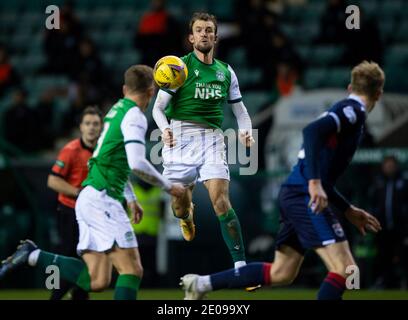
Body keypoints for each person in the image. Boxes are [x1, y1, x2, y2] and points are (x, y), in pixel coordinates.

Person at [180, 61, 384, 300]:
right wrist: (315, 183)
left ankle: (201, 284)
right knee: (346, 269)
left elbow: (320, 172)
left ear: (350, 86)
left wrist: (347, 208)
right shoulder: (353, 110)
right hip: (303, 195)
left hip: (295, 192)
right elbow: (311, 131)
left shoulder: (349, 111)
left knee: (282, 272)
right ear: (378, 93)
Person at [0, 65, 185, 300]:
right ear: (151, 91)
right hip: (103, 199)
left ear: (124, 89)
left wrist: (131, 197)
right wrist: (169, 186)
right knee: (132, 270)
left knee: (97, 281)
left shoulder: (115, 110)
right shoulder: (135, 116)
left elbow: (113, 162)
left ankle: (33, 255)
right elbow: (137, 163)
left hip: (91, 197)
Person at [152, 12, 255, 270]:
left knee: (221, 201)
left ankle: (240, 264)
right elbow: (158, 108)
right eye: (200, 30)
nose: (205, 34)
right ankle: (186, 216)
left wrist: (246, 131)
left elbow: (240, 110)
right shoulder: (179, 68)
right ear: (191, 37)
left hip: (211, 140)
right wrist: (164, 129)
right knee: (178, 206)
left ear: (216, 37)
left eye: (209, 30)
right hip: (180, 140)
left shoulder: (225, 71)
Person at [47, 106, 103, 300]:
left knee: (89, 258)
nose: (91, 128)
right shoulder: (70, 150)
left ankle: (79, 296)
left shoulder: (103, 151)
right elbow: (52, 180)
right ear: (81, 127)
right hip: (69, 211)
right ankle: (56, 296)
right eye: (88, 123)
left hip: (92, 215)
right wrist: (79, 193)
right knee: (68, 256)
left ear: (101, 127)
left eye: (95, 124)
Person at [370, 155, 408, 288]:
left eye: (392, 165)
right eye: (387, 165)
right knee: (383, 257)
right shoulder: (378, 182)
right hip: (382, 228)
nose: (389, 168)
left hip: (400, 228)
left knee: (402, 256)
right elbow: (373, 202)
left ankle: (403, 282)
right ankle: (386, 282)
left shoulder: (403, 181)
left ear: (396, 166)